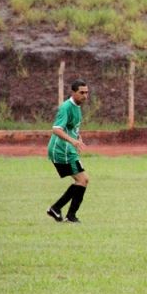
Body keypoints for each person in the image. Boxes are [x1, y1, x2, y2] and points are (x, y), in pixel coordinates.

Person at [46, 79, 90, 223]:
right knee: (82, 180)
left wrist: (78, 137)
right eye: (81, 92)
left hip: (68, 149)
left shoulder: (77, 107)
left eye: (86, 92)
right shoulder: (66, 107)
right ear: (73, 92)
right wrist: (72, 141)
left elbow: (72, 128)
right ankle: (66, 214)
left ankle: (60, 210)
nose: (85, 95)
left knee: (83, 180)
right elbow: (56, 129)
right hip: (61, 150)